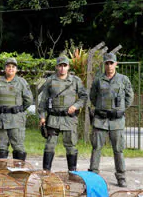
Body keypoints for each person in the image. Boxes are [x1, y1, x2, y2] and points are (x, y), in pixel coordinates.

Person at [89, 52, 134, 187]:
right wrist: (101, 107)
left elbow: (129, 96)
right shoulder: (98, 80)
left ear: (116, 64)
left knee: (118, 149)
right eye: (107, 63)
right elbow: (93, 96)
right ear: (104, 64)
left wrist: (121, 109)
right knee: (96, 148)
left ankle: (121, 177)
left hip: (116, 120)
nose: (109, 66)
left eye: (111, 63)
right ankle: (93, 175)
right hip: (100, 119)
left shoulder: (123, 79)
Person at [38, 56, 88, 171]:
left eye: (65, 65)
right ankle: (46, 173)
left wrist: (76, 106)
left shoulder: (75, 81)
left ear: (68, 67)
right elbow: (43, 101)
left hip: (69, 119)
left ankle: (72, 173)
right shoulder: (50, 81)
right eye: (60, 65)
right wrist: (42, 117)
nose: (62, 68)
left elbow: (84, 96)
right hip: (53, 119)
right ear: (57, 67)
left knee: (71, 147)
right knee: (49, 146)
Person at [0, 58, 33, 160]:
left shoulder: (21, 82)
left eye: (13, 67)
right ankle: (2, 171)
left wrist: (19, 109)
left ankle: (18, 171)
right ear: (5, 68)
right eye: (8, 66)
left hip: (16, 119)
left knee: (18, 146)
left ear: (16, 69)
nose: (11, 68)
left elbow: (29, 100)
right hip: (0, 119)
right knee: (1, 146)